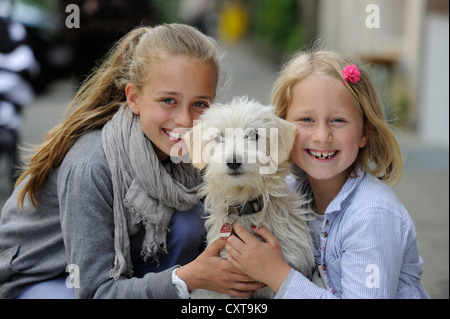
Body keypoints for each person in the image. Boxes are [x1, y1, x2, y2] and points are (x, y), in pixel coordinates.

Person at [0, 23, 264, 299]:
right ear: (134, 99)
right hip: (52, 278)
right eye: (168, 100)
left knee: (188, 220)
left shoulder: (197, 154)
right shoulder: (91, 166)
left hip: (121, 267)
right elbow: (94, 291)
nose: (185, 121)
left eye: (200, 104)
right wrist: (188, 278)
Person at [225, 49, 430, 299]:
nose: (322, 136)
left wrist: (277, 275)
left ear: (365, 132)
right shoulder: (290, 191)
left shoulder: (371, 217)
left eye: (338, 120)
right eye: (307, 119)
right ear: (281, 130)